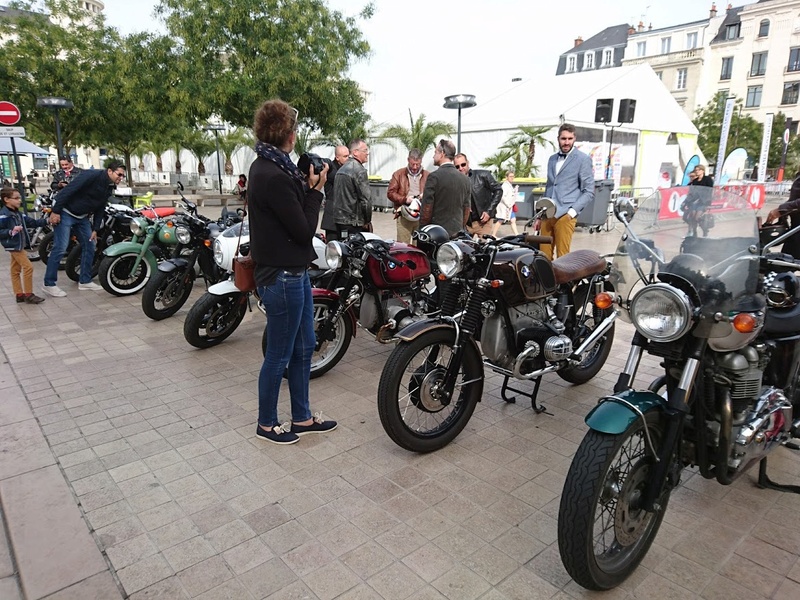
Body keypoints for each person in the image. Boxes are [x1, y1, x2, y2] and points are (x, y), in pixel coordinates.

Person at [248, 98, 337, 445]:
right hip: (282, 276)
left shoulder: (271, 167)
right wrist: (316, 191)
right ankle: (266, 423)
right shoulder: (273, 174)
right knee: (280, 354)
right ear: (287, 134)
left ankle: (301, 416)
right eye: (295, 130)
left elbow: (290, 217)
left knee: (305, 345)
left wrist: (305, 187)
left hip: (293, 272)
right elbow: (302, 229)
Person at [42, 160, 125, 297]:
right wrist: (56, 211)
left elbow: (100, 207)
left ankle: (85, 281)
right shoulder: (91, 175)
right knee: (60, 247)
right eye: (119, 174)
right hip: (66, 212)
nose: (120, 178)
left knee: (91, 244)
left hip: (82, 217)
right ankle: (49, 284)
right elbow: (68, 190)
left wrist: (95, 229)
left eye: (123, 176)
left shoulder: (109, 186)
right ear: (110, 171)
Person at [541, 123, 595, 259]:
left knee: (563, 257)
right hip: (547, 215)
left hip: (565, 214)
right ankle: (547, 281)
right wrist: (540, 213)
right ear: (558, 139)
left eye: (570, 139)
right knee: (543, 255)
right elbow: (550, 186)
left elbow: (588, 191)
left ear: (574, 139)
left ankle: (563, 281)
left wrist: (572, 212)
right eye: (563, 139)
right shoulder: (552, 159)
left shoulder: (583, 159)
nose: (566, 142)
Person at [0, 188, 47, 304]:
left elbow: (32, 222)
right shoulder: (4, 215)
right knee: (28, 267)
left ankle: (19, 294)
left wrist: (47, 221)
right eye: (16, 198)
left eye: (19, 198)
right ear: (6, 199)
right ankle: (29, 294)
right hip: (14, 245)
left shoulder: (18, 213)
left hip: (18, 244)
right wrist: (11, 231)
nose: (19, 200)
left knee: (15, 270)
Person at [419, 139, 471, 238]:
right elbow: (466, 209)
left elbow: (427, 208)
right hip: (457, 234)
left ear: (442, 153)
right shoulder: (465, 179)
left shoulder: (434, 177)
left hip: (436, 234)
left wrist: (423, 230)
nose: (433, 156)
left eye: (435, 152)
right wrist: (461, 227)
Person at [455, 153, 502, 239]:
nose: (461, 168)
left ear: (467, 163)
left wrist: (489, 211)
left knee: (484, 249)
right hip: (466, 224)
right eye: (457, 167)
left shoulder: (482, 175)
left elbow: (498, 190)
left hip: (483, 222)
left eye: (463, 164)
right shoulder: (455, 182)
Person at [387, 149, 429, 243]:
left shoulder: (427, 176)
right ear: (408, 160)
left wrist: (425, 196)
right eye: (412, 164)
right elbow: (390, 193)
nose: (415, 167)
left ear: (421, 161)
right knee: (403, 246)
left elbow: (433, 194)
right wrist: (405, 199)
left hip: (420, 217)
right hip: (404, 216)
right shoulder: (398, 174)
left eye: (417, 164)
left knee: (419, 247)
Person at [334, 139, 372, 237]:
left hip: (339, 221)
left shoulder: (341, 169)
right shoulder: (359, 170)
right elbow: (365, 200)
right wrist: (367, 221)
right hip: (353, 223)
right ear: (355, 152)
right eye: (365, 150)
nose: (367, 154)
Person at [765, 168, 800, 257]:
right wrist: (783, 211)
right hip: (795, 229)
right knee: (785, 262)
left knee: (786, 263)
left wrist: (783, 209)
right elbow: (795, 198)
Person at [320, 145, 349, 241]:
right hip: (332, 218)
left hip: (344, 217)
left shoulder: (346, 168)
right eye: (345, 156)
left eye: (348, 156)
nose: (348, 159)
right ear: (337, 157)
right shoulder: (332, 169)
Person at [492, 169, 520, 237]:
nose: (512, 178)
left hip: (509, 207)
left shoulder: (509, 185)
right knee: (500, 220)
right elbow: (503, 196)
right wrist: (508, 204)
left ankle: (517, 234)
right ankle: (493, 235)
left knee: (513, 220)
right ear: (506, 177)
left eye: (513, 176)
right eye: (510, 176)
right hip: (505, 206)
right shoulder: (505, 186)